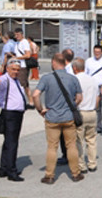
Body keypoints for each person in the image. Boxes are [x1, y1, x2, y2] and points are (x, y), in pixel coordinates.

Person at [32, 53, 83, 184]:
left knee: (52, 147)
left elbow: (35, 95)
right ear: (65, 63)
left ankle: (49, 176)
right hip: (68, 117)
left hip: (52, 117)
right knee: (71, 146)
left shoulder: (47, 78)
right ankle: (76, 174)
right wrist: (72, 106)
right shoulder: (73, 78)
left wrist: (40, 110)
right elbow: (79, 97)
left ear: (54, 63)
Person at [0, 59, 26, 181]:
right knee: (12, 143)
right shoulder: (5, 79)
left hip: (16, 113)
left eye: (18, 70)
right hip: (11, 114)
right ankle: (11, 171)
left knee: (9, 142)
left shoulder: (15, 80)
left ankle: (4, 168)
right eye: (13, 69)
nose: (16, 72)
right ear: (8, 69)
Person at [72, 58, 99, 173]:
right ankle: (92, 163)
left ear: (75, 68)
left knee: (79, 140)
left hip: (80, 112)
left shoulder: (75, 80)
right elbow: (98, 97)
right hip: (92, 112)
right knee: (91, 139)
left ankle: (81, 165)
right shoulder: (93, 79)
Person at [85, 45, 102, 134]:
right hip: (92, 87)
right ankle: (97, 126)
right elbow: (86, 74)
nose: (97, 54)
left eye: (98, 52)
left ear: (101, 52)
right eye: (95, 52)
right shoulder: (89, 61)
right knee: (96, 108)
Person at [12, 28, 34, 106]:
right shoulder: (18, 43)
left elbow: (28, 55)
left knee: (22, 84)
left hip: (23, 66)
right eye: (15, 35)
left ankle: (24, 102)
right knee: (25, 85)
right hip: (18, 65)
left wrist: (17, 58)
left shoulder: (24, 42)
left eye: (18, 34)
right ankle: (30, 101)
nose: (16, 36)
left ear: (22, 34)